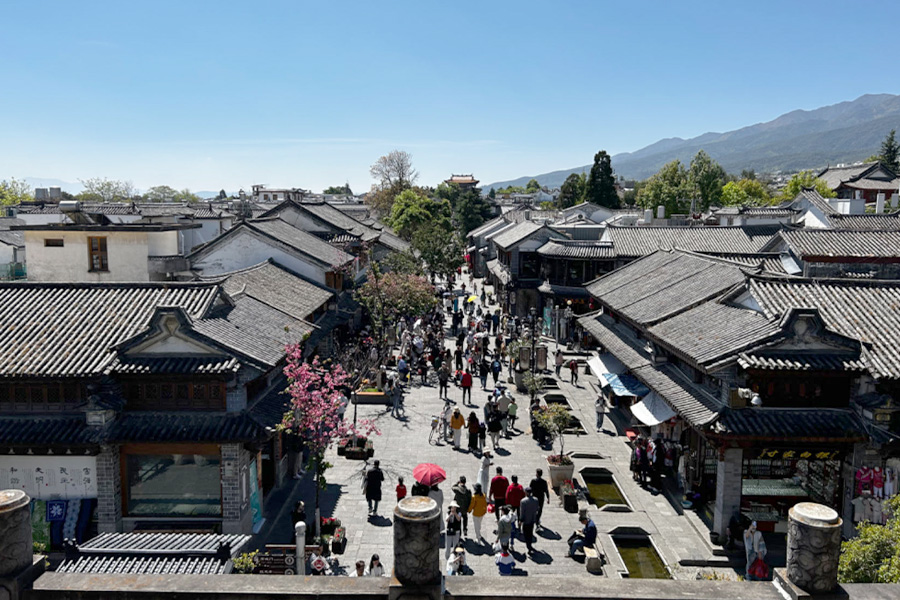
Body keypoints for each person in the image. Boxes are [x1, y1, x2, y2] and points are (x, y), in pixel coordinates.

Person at [519, 487, 539, 553]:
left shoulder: (523, 501)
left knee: (526, 534)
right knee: (530, 533)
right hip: (532, 519)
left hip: (526, 520)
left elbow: (522, 512)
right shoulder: (536, 500)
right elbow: (537, 509)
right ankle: (529, 545)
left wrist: (521, 520)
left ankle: (529, 546)